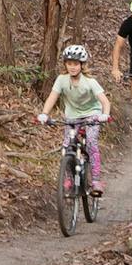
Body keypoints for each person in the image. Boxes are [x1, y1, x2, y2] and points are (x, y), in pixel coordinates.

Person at [37, 44, 110, 195]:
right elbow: (52, 97)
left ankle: (96, 181)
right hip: (72, 116)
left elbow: (104, 101)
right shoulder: (62, 80)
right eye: (69, 64)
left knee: (91, 142)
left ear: (82, 65)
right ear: (65, 64)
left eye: (76, 64)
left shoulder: (90, 82)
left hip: (92, 114)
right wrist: (44, 113)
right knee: (66, 146)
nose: (73, 67)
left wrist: (105, 114)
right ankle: (69, 177)